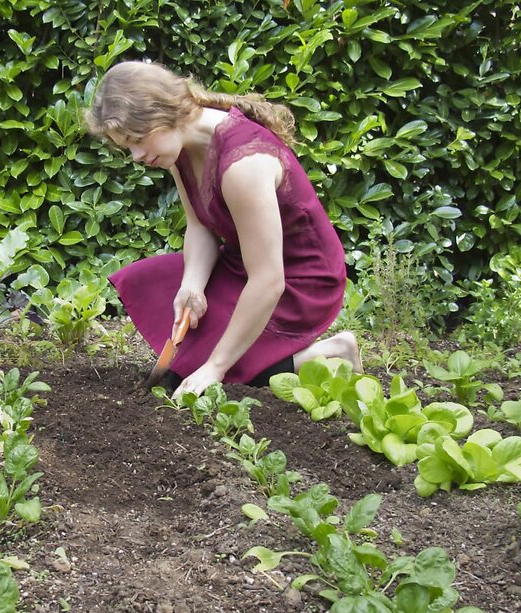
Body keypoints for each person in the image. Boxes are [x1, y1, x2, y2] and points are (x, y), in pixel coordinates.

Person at [83, 60, 362, 398]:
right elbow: (201, 227)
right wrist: (192, 286)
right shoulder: (180, 149)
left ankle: (334, 351)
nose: (137, 155)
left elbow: (269, 281)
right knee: (150, 287)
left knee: (221, 372)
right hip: (243, 263)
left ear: (164, 113)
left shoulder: (243, 165)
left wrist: (215, 367)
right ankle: (233, 356)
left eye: (138, 139)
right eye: (127, 146)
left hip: (300, 282)